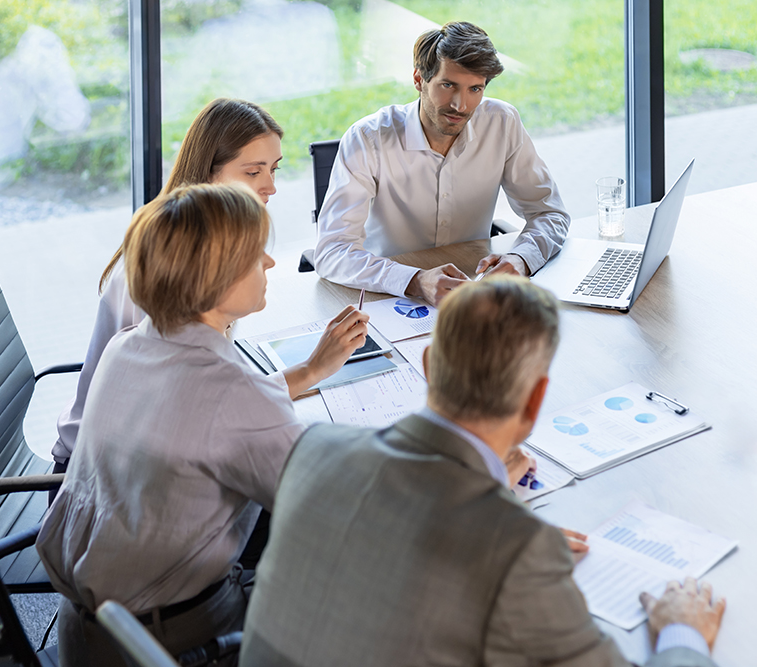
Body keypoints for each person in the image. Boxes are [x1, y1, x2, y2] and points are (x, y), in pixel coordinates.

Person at [240, 277, 725, 667]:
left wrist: (493, 506)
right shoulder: (518, 550)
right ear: (535, 401)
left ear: (429, 365)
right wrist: (682, 631)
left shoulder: (313, 448)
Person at [36, 183, 369, 667]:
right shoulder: (232, 395)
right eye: (258, 255)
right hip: (176, 640)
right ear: (218, 279)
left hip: (88, 631)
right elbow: (329, 506)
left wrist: (309, 371)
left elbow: (202, 413)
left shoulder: (128, 346)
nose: (271, 264)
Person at [49, 98, 285, 477]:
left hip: (136, 447)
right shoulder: (167, 271)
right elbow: (192, 406)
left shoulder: (193, 245)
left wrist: (309, 370)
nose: (270, 186)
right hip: (101, 469)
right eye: (254, 172)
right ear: (210, 176)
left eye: (273, 169)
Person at [314, 21, 570, 305]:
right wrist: (415, 280)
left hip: (473, 291)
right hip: (389, 294)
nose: (461, 105)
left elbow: (550, 214)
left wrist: (521, 259)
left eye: (475, 89)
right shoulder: (368, 138)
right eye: (448, 85)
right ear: (418, 79)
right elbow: (332, 252)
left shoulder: (502, 123)